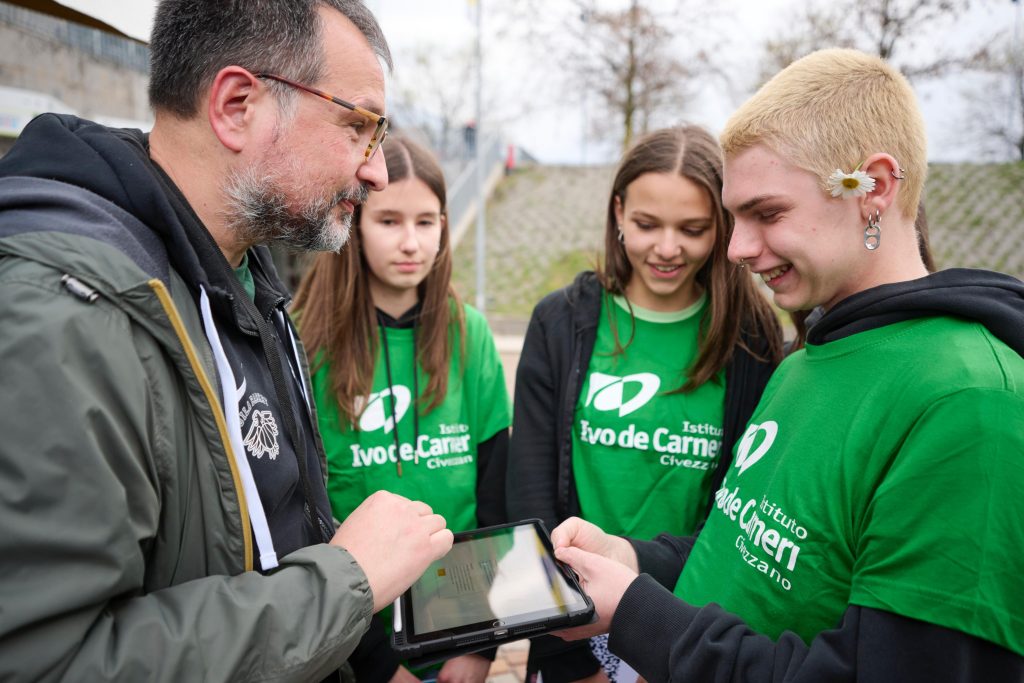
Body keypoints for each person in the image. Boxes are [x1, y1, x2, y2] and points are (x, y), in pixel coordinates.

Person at [0, 2, 455, 681]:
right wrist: (346, 579)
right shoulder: (65, 317)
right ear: (238, 105)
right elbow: (49, 661)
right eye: (358, 125)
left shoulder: (239, 271)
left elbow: (281, 531)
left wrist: (373, 661)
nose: (377, 171)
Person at [550, 48, 1024, 681]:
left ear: (873, 187)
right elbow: (756, 557)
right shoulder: (807, 357)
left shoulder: (968, 403)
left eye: (768, 214)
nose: (739, 248)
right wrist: (637, 562)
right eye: (734, 218)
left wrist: (641, 617)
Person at [507, 125, 783, 683]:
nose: (666, 248)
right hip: (572, 627)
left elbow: (738, 517)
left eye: (693, 229)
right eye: (647, 224)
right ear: (618, 213)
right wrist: (572, 666)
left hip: (688, 632)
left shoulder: (750, 336)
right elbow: (529, 502)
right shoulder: (562, 322)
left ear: (723, 227)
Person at [293, 134, 511, 683]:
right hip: (348, 642)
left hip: (456, 629)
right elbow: (300, 517)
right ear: (356, 222)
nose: (411, 242)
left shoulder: (471, 334)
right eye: (389, 221)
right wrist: (376, 665)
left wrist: (481, 645)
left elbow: (494, 495)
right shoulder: (305, 340)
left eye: (427, 221)